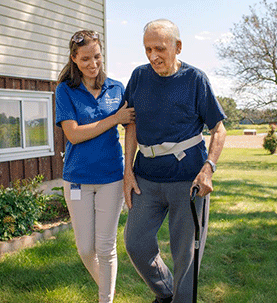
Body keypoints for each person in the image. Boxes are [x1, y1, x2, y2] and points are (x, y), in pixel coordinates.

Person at [123, 19, 227, 303]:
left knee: (187, 256)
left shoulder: (195, 79)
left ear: (177, 47)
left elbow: (219, 128)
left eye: (159, 48)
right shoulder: (139, 77)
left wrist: (209, 169)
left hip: (188, 180)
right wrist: (127, 171)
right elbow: (131, 124)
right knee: (136, 243)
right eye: (147, 49)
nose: (153, 56)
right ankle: (166, 292)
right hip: (146, 178)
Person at [55, 30, 135, 303]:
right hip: (77, 178)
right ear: (74, 59)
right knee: (85, 249)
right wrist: (114, 119)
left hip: (111, 176)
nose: (93, 63)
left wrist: (129, 171)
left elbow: (131, 127)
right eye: (86, 58)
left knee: (105, 247)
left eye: (97, 56)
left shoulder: (116, 88)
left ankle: (106, 299)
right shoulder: (65, 90)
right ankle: (107, 287)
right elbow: (74, 134)